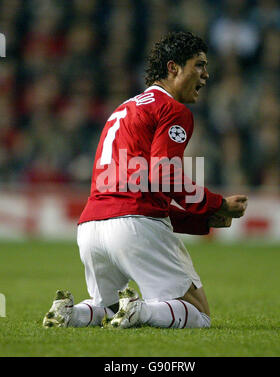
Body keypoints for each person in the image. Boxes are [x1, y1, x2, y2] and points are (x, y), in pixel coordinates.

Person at [43, 31, 247, 329]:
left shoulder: (124, 109)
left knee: (107, 308)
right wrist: (218, 203)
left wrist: (200, 221)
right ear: (173, 67)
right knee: (198, 315)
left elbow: (135, 192)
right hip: (134, 226)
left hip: (90, 229)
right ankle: (141, 311)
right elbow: (163, 173)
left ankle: (70, 313)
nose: (206, 74)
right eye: (199, 65)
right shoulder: (172, 109)